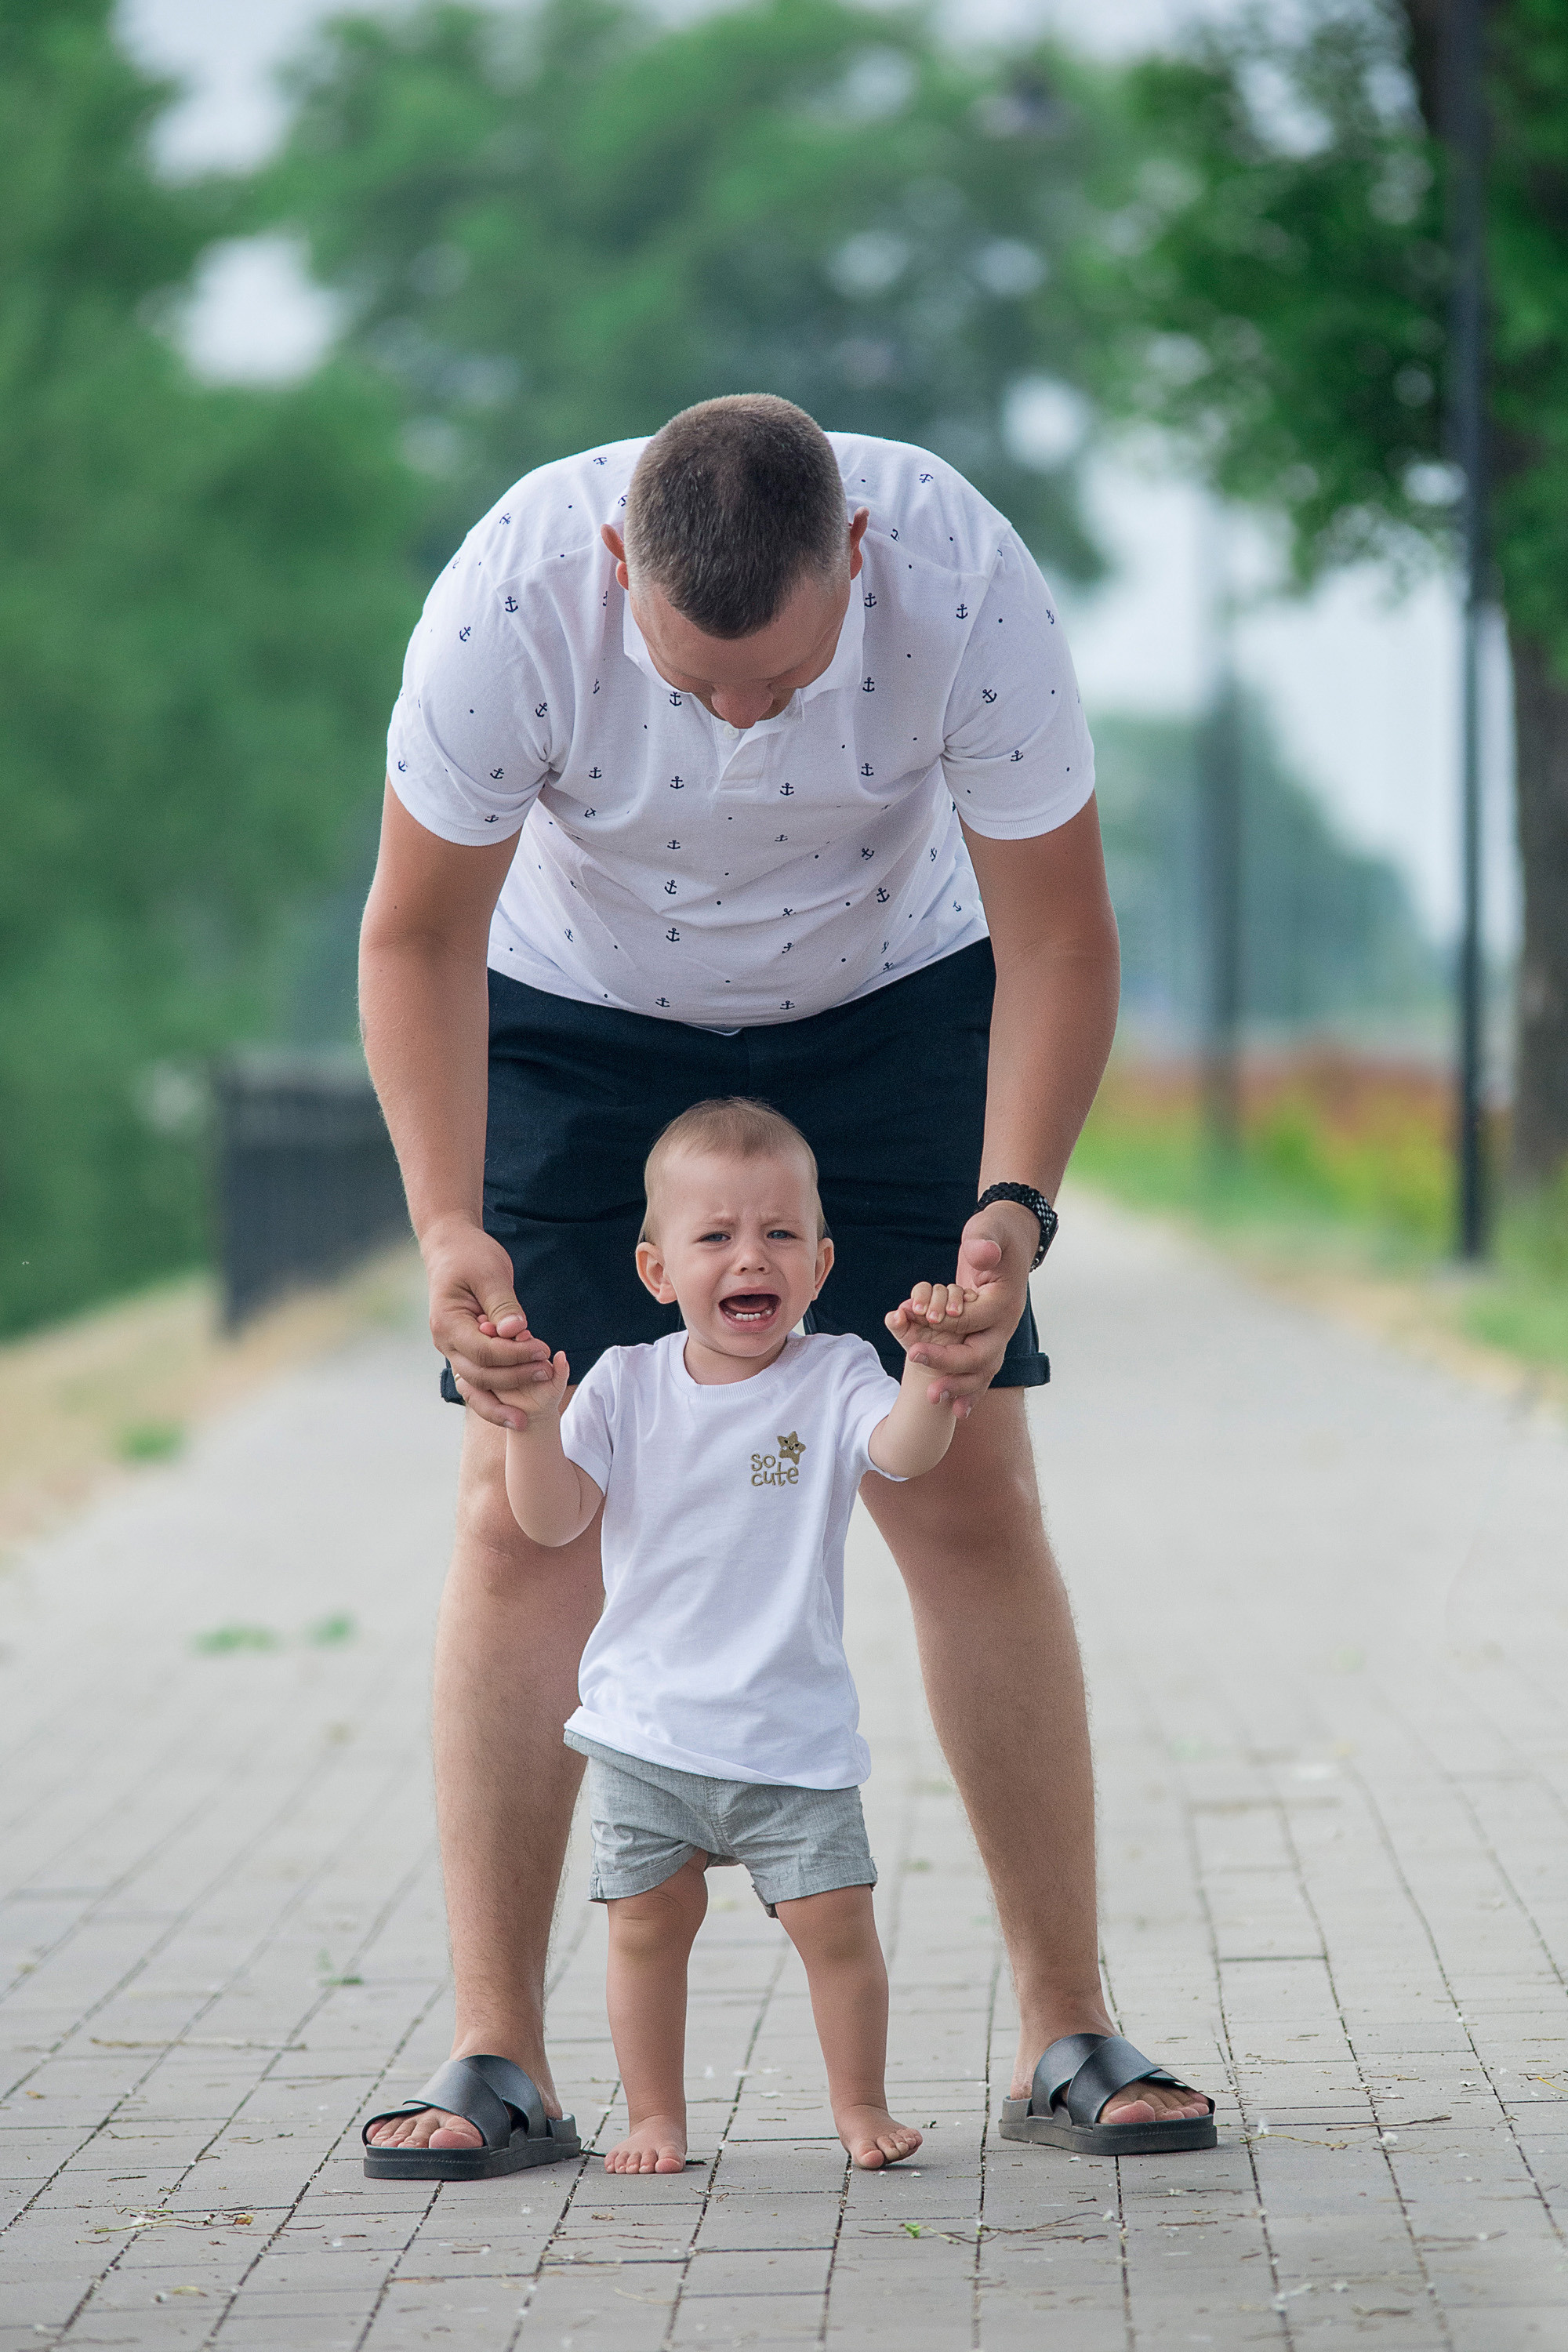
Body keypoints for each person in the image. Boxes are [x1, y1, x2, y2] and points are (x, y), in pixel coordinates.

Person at [359, 394, 1214, 2175]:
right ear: (619, 567)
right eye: (698, 683)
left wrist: (1016, 1208)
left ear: (858, 560)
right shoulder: (511, 598)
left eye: (785, 680)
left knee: (968, 1486)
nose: (742, 721)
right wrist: (446, 1225)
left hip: (886, 1006)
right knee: (520, 1507)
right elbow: (419, 929)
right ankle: (498, 2058)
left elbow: (1060, 930)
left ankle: (1065, 2030)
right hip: (581, 1016)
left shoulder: (962, 576)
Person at [496, 1098, 970, 2176]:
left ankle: (860, 2105)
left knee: (836, 1927)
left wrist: (931, 1377)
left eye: (780, 1233)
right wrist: (532, 1424)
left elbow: (904, 1453)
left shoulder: (837, 1372)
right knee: (645, 1929)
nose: (750, 1256)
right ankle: (655, 2116)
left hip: (789, 1734)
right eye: (714, 1236)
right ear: (657, 1269)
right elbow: (554, 1519)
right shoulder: (625, 1384)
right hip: (647, 1731)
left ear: (821, 1262)